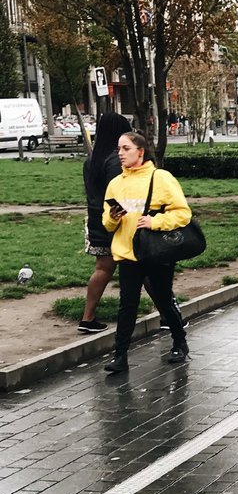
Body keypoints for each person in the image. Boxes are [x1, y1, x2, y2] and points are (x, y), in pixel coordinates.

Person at [101, 132, 191, 374]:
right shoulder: (115, 183)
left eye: (126, 148)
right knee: (127, 305)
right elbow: (107, 223)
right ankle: (120, 356)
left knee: (163, 299)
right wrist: (112, 218)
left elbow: (183, 213)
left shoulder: (160, 178)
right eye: (119, 148)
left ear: (140, 151)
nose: (120, 153)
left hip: (156, 252)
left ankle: (179, 342)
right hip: (128, 254)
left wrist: (155, 222)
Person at [79, 112, 133, 333]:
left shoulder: (91, 160)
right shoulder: (114, 161)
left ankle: (87, 318)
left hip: (94, 219)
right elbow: (116, 196)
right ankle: (168, 314)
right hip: (115, 222)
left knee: (102, 268)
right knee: (143, 266)